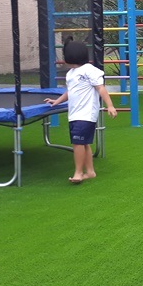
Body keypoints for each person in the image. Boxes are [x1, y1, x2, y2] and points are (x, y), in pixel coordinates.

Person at [45, 40, 117, 184]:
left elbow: (101, 88)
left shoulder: (89, 70)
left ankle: (78, 173)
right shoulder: (71, 74)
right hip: (75, 114)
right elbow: (69, 92)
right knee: (83, 144)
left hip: (86, 115)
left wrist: (110, 105)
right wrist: (57, 101)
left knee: (77, 143)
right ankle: (90, 172)